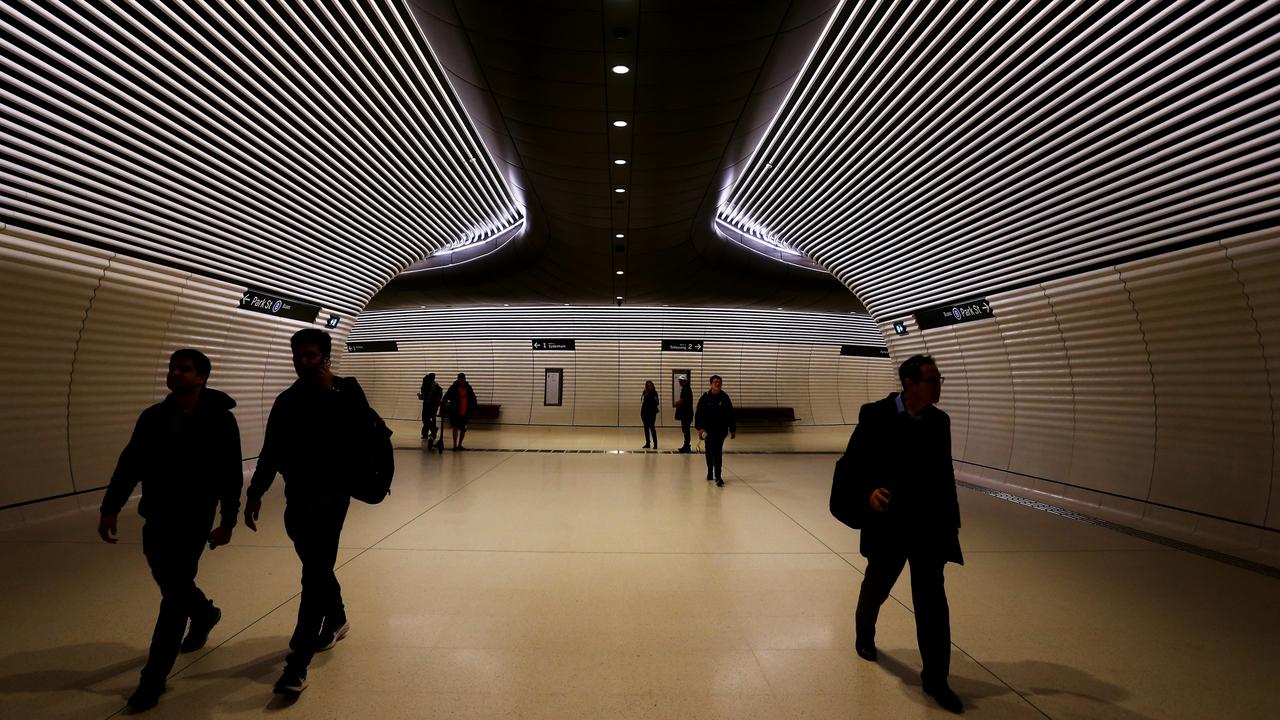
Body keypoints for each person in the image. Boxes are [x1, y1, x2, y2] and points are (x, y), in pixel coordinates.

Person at [97, 349, 242, 711]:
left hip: (195, 517)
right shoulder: (153, 417)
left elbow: (230, 472)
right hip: (157, 515)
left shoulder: (220, 420)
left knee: (173, 596)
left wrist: (228, 520)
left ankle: (153, 679)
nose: (176, 374)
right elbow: (130, 463)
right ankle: (206, 613)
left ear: (202, 377)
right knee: (169, 580)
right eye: (173, 368)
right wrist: (110, 507)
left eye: (185, 369)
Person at [244, 329, 370, 696]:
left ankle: (297, 663)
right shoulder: (287, 401)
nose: (303, 361)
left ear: (325, 356)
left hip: (333, 498)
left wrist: (332, 391)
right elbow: (271, 451)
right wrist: (254, 493)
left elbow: (364, 431)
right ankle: (338, 617)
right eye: (298, 355)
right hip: (297, 499)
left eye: (311, 355)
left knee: (312, 575)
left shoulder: (346, 391)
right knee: (316, 566)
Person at [843, 355, 964, 714]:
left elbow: (945, 476)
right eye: (932, 380)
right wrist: (868, 492)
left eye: (939, 378)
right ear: (909, 384)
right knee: (877, 586)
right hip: (888, 524)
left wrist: (951, 526)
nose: (938, 385)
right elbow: (853, 465)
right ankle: (865, 631)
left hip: (927, 527)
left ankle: (936, 679)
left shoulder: (940, 422)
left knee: (932, 604)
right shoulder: (875, 415)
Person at [694, 375, 735, 486]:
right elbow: (699, 414)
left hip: (720, 431)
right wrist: (700, 428)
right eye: (715, 382)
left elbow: (730, 414)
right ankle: (710, 472)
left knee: (718, 452)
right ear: (711, 384)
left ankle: (718, 476)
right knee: (709, 452)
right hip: (708, 431)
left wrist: (732, 429)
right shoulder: (705, 397)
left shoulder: (725, 397)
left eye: (719, 382)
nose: (718, 384)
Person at [441, 372, 478, 450]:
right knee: (455, 428)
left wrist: (475, 408)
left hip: (465, 411)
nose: (461, 380)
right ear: (458, 379)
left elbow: (473, 398)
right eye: (460, 379)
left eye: (462, 379)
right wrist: (444, 401)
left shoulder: (468, 388)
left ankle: (460, 444)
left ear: (464, 379)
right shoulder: (453, 387)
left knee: (463, 429)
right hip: (455, 411)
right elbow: (446, 396)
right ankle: (455, 445)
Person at [417, 372, 442, 443]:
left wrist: (419, 395)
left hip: (428, 405)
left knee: (425, 419)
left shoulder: (426, 385)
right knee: (431, 419)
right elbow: (438, 396)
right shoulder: (437, 386)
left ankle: (431, 431)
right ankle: (431, 433)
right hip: (434, 405)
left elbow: (424, 396)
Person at [674, 376, 694, 452]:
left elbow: (682, 400)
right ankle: (686, 445)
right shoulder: (687, 388)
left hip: (686, 413)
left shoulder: (686, 389)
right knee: (686, 430)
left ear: (684, 381)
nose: (679, 382)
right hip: (687, 413)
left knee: (686, 430)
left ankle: (687, 446)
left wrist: (676, 403)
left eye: (680, 381)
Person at [640, 380, 660, 449]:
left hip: (651, 413)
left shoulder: (654, 393)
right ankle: (647, 443)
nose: (649, 387)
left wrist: (655, 400)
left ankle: (655, 443)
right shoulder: (645, 392)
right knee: (646, 428)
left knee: (652, 428)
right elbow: (644, 402)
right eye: (648, 386)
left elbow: (657, 403)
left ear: (652, 385)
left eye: (650, 385)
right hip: (644, 413)